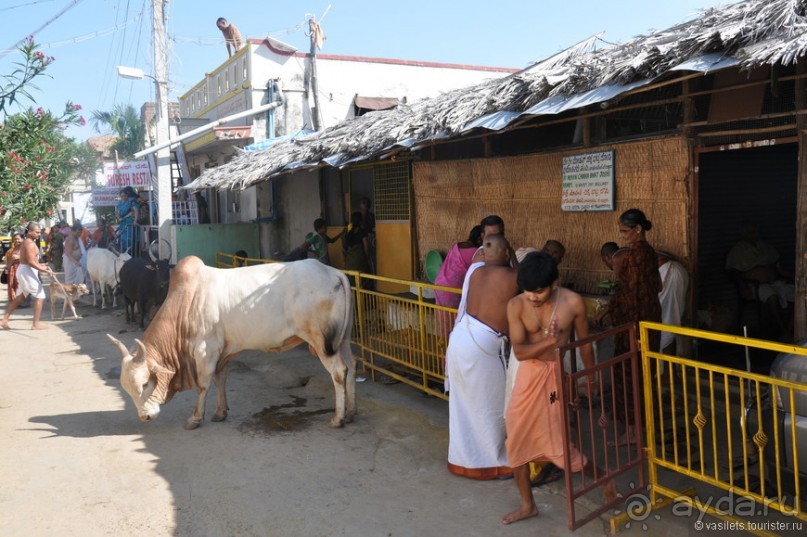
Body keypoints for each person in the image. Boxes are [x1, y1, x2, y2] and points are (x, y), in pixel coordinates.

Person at [501, 251, 615, 525]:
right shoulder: (516, 305)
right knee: (514, 442)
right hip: (527, 376)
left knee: (560, 446)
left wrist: (589, 379)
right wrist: (549, 342)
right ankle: (528, 505)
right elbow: (520, 351)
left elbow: (585, 344)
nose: (532, 297)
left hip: (555, 376)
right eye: (527, 291)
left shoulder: (572, 302)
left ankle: (604, 479)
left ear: (555, 283)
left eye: (538, 292)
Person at [445, 233, 519, 479]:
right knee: (491, 405)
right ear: (507, 254)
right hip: (482, 345)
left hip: (459, 339)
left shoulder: (474, 272)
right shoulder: (513, 276)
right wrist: (513, 260)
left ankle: (462, 460)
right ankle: (492, 462)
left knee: (463, 405)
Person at [607, 209, 662, 446]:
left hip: (635, 325)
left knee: (631, 377)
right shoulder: (649, 253)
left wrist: (613, 310)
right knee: (640, 376)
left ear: (638, 229)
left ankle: (634, 432)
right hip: (646, 321)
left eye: (625, 231)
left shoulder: (636, 255)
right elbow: (656, 286)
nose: (623, 236)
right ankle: (637, 429)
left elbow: (633, 296)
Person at [725, 221, 794, 340]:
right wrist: (742, 286)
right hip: (754, 286)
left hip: (776, 282)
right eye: (751, 232)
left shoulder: (765, 246)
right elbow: (733, 271)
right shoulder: (738, 250)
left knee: (800, 296)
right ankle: (782, 330)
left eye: (756, 232)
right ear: (744, 234)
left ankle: (791, 330)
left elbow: (778, 266)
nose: (755, 234)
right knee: (771, 297)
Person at [1, 223, 56, 330]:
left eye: (40, 232)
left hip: (25, 270)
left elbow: (30, 260)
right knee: (40, 296)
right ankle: (36, 324)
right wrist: (43, 269)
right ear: (29, 232)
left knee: (20, 297)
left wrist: (42, 266)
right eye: (37, 232)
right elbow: (30, 262)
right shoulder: (29, 243)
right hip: (27, 271)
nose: (39, 234)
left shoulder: (27, 242)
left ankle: (4, 320)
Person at [433, 225, 483, 308]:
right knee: (453, 315)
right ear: (479, 239)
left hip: (439, 281)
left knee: (443, 314)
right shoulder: (476, 253)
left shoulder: (456, 245)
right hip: (452, 287)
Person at [657, 251, 689, 354]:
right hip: (676, 314)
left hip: (667, 317)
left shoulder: (669, 272)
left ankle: (667, 368)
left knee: (667, 332)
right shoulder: (678, 269)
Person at [117, 186, 140, 255]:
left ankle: (130, 254)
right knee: (122, 240)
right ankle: (123, 254)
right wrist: (118, 217)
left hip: (128, 223)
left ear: (127, 195)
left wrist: (135, 221)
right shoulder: (120, 203)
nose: (122, 197)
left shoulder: (130, 202)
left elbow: (135, 211)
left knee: (129, 239)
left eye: (124, 195)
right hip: (122, 223)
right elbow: (117, 212)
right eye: (121, 196)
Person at [3, 232, 24, 302]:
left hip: (22, 271)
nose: (16, 241)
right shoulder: (11, 250)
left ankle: (22, 302)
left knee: (21, 286)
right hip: (12, 271)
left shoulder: (26, 249)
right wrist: (7, 267)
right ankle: (14, 301)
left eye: (18, 239)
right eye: (14, 239)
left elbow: (30, 259)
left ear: (23, 239)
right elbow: (7, 261)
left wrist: (19, 257)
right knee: (12, 285)